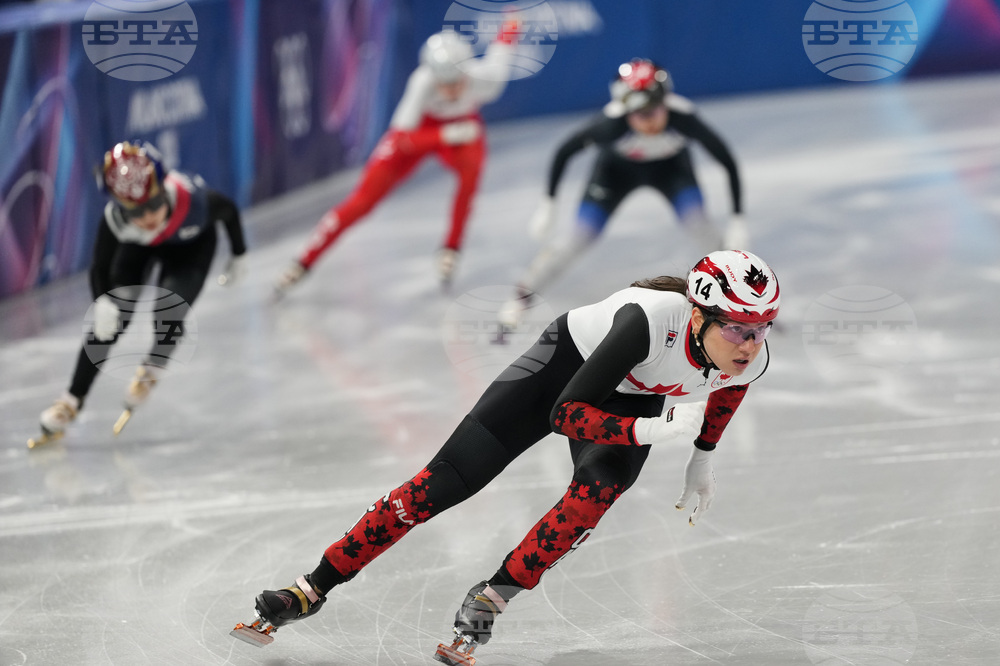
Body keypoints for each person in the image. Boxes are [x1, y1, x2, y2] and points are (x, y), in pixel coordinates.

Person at [233, 250, 780, 664]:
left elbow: (728, 391)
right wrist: (648, 429)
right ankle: (309, 589)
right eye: (736, 328)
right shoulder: (647, 321)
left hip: (632, 396)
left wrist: (701, 460)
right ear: (697, 315)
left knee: (593, 496)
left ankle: (491, 598)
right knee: (442, 484)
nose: (748, 344)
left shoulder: (748, 358)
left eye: (759, 330)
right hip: (562, 370)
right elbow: (565, 414)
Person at [498, 58, 747, 328]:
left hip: (672, 171)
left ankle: (740, 297)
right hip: (615, 174)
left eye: (655, 111)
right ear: (627, 111)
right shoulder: (611, 124)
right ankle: (521, 297)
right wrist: (549, 203)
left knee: (701, 226)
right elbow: (564, 152)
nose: (650, 122)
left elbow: (727, 160)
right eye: (641, 115)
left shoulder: (683, 117)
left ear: (666, 101)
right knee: (578, 238)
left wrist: (737, 218)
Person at [29, 141, 247, 446]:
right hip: (138, 248)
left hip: (191, 249)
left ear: (163, 188)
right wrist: (102, 302)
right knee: (109, 323)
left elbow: (230, 212)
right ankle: (71, 399)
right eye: (135, 211)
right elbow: (100, 267)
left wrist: (239, 254)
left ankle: (154, 365)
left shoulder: (195, 201)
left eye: (153, 204)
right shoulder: (116, 221)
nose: (148, 218)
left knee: (170, 308)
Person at [274, 26, 518, 296]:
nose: (450, 91)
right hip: (423, 131)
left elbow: (503, 46)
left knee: (471, 174)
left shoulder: (488, 78)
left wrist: (511, 25)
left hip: (462, 126)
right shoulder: (421, 82)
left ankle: (452, 247)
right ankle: (304, 260)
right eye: (443, 84)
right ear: (432, 76)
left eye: (456, 82)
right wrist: (446, 134)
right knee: (362, 201)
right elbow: (402, 140)